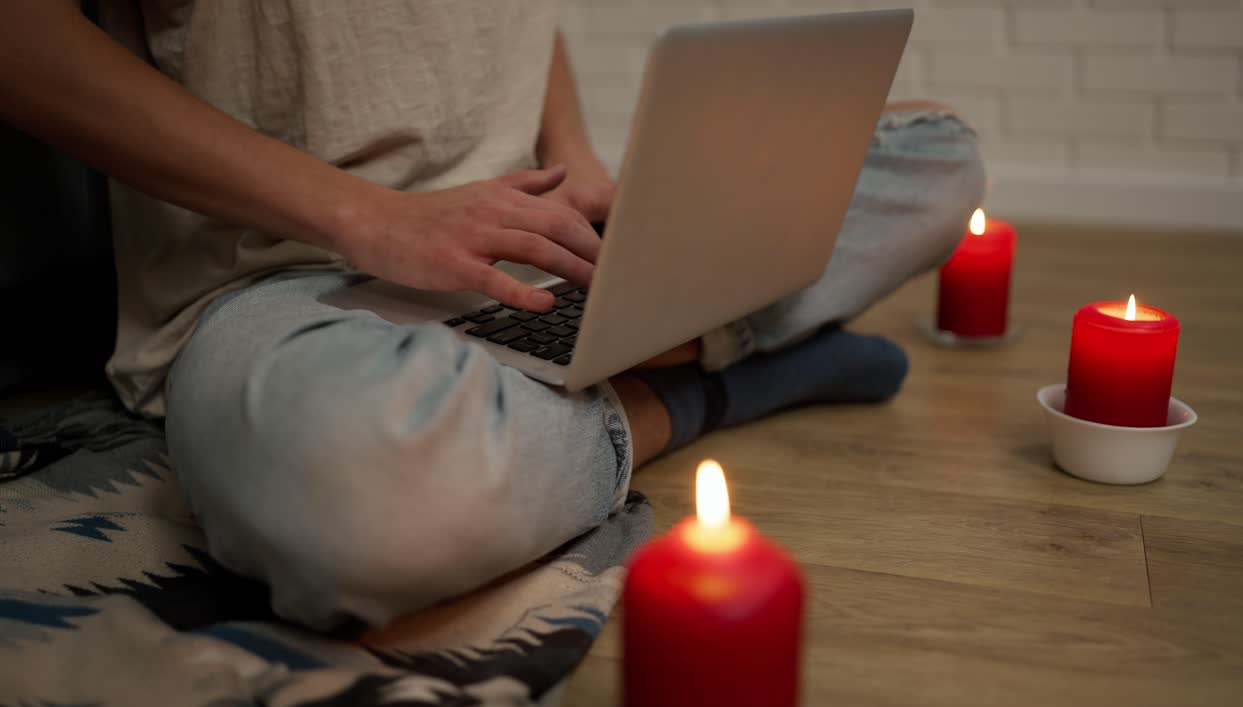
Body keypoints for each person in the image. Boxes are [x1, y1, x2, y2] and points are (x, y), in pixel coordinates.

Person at [0, 1, 984, 629]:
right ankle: (706, 386)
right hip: (285, 280)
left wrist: (580, 162)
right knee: (365, 492)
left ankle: (627, 332)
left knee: (937, 157)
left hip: (529, 229)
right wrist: (369, 217)